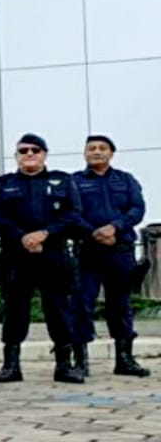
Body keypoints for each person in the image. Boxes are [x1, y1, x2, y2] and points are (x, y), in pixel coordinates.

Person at [0, 133, 88, 384]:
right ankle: (11, 365)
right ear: (16, 156)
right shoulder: (4, 184)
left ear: (44, 154)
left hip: (52, 254)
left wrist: (45, 234)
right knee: (14, 310)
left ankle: (64, 365)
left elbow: (74, 214)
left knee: (58, 310)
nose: (29, 154)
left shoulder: (63, 182)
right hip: (16, 255)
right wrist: (22, 237)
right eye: (23, 151)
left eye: (35, 150)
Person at [71, 135, 149, 377]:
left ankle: (124, 360)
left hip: (119, 250)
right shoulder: (74, 182)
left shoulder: (126, 180)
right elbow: (70, 214)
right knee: (82, 305)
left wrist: (114, 227)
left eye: (102, 148)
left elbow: (137, 209)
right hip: (88, 252)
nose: (96, 152)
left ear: (111, 153)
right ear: (85, 154)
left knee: (121, 306)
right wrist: (94, 232)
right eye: (91, 148)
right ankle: (80, 362)